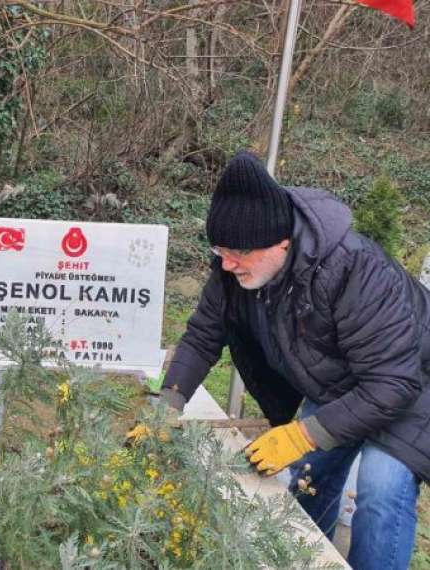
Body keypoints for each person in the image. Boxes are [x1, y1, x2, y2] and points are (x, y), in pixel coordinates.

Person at [159, 151, 430, 570]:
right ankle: (302, 560)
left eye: (238, 253)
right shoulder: (235, 269)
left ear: (280, 244)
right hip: (343, 382)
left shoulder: (355, 271)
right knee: (309, 474)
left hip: (411, 381)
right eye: (219, 249)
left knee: (381, 488)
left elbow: (392, 384)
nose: (226, 263)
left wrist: (303, 433)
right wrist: (167, 407)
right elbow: (202, 336)